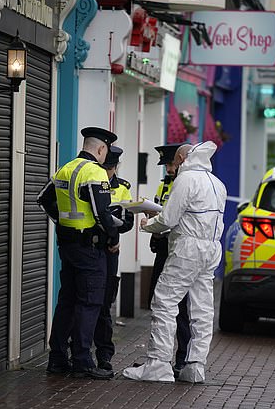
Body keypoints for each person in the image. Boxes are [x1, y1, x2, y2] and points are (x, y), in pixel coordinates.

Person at [123, 142, 227, 384]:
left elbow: (168, 218)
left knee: (165, 302)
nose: (174, 164)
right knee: (202, 309)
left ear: (182, 158)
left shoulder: (186, 179)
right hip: (212, 248)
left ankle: (158, 364)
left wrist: (148, 225)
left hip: (187, 248)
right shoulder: (217, 184)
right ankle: (195, 366)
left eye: (176, 160)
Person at [37, 126, 120, 380]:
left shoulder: (66, 168)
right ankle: (82, 361)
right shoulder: (95, 172)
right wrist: (112, 239)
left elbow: (43, 199)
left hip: (67, 245)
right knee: (89, 302)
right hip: (89, 248)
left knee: (67, 301)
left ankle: (58, 359)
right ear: (101, 148)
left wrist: (62, 222)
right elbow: (102, 213)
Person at [147, 143, 191, 377]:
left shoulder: (187, 185)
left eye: (171, 164)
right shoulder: (165, 184)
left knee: (182, 307)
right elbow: (161, 211)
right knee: (159, 302)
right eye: (166, 165)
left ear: (181, 161)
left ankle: (182, 358)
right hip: (163, 249)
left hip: (179, 251)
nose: (168, 169)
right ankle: (159, 358)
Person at [93, 146, 135, 371]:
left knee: (105, 304)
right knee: (87, 300)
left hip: (110, 252)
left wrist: (114, 234)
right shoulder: (91, 180)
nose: (107, 172)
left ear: (115, 167)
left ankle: (104, 354)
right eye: (105, 167)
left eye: (110, 168)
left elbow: (127, 222)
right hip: (92, 246)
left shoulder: (123, 187)